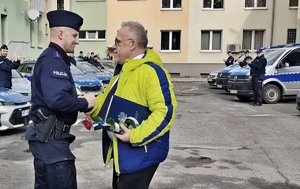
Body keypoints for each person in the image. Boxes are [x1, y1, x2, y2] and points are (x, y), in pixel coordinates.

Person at [86, 21, 177, 189]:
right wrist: (89, 104)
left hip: (140, 155)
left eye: (118, 42)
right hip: (124, 154)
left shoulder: (151, 72)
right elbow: (107, 101)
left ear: (132, 44)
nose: (114, 47)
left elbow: (165, 112)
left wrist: (134, 136)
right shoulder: (123, 69)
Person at [25, 10, 95, 189]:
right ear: (61, 34)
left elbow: (55, 96)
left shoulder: (54, 59)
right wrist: (85, 102)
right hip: (52, 143)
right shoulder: (53, 61)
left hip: (48, 141)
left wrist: (74, 99)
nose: (77, 40)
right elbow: (57, 100)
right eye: (75, 35)